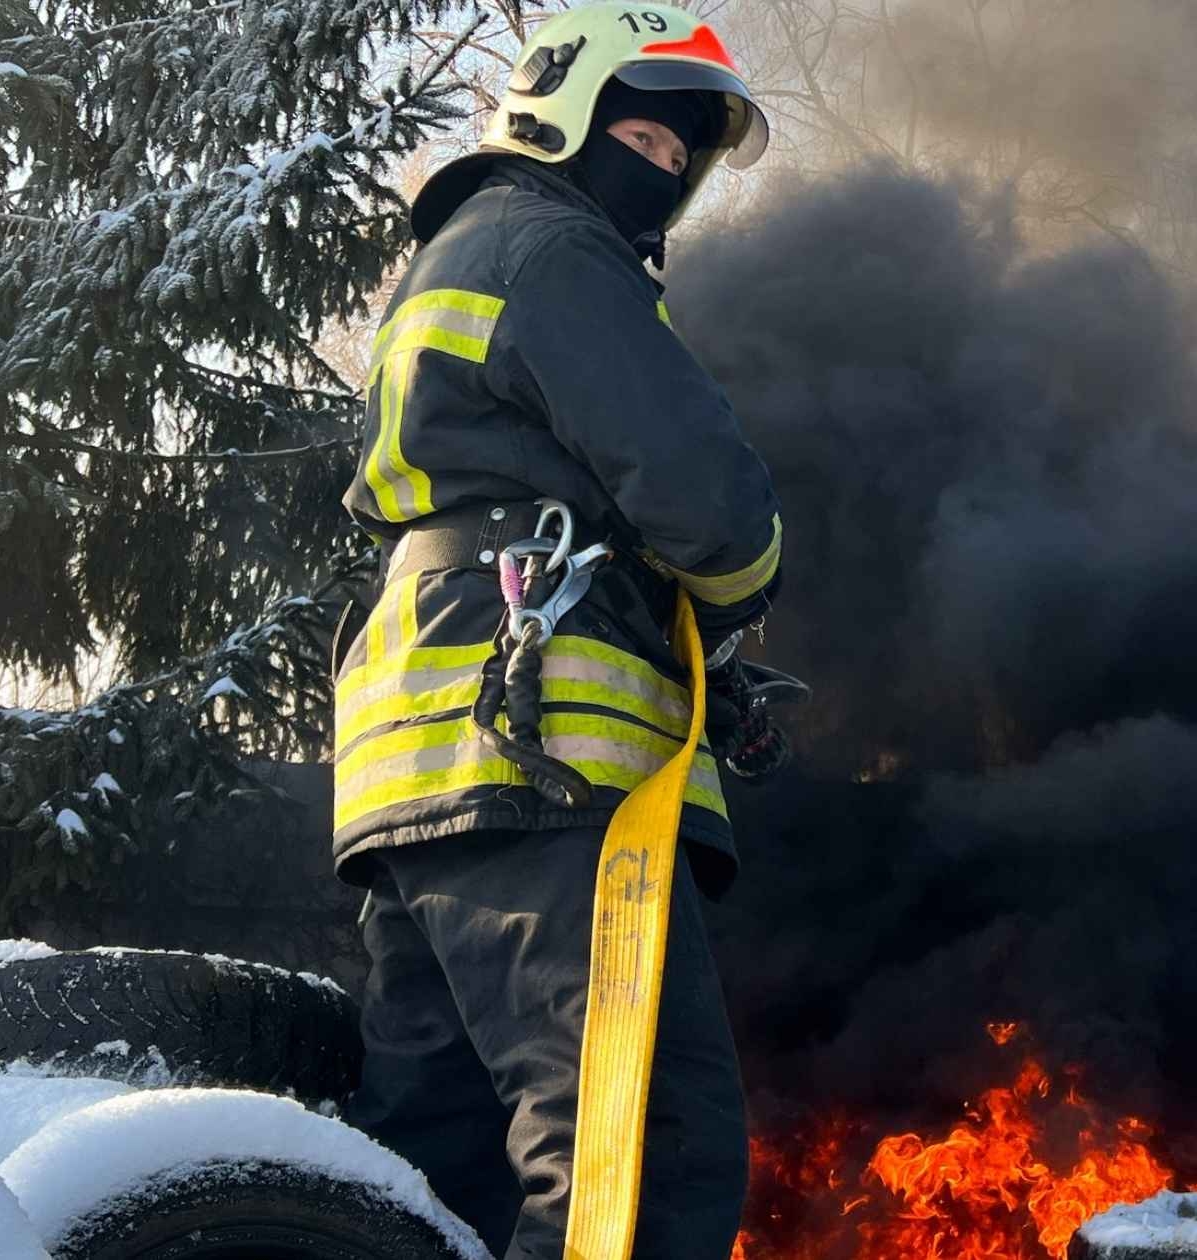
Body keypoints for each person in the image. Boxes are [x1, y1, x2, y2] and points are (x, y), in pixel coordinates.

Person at [327, 5, 779, 1256]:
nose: (664, 170)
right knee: (636, 1158)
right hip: (545, 769)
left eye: (681, 154)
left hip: (421, 772)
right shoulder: (554, 247)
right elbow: (710, 504)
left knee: (443, 1177)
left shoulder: (456, 259)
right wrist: (737, 599)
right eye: (642, 136)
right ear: (560, 112)